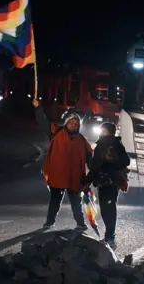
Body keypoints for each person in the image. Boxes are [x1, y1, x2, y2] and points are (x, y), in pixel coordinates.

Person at [33, 99, 93, 231]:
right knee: (54, 202)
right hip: (58, 176)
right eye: (71, 122)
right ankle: (49, 222)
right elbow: (43, 122)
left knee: (76, 203)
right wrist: (38, 108)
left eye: (76, 123)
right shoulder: (55, 133)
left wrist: (92, 175)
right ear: (66, 123)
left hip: (75, 177)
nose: (73, 125)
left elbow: (90, 158)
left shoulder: (82, 140)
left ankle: (80, 223)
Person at [87, 122, 130, 249]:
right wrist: (89, 178)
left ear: (111, 132)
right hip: (101, 181)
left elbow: (126, 161)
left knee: (109, 208)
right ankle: (108, 236)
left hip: (112, 181)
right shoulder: (100, 144)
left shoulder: (116, 144)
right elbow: (95, 164)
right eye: (102, 130)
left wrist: (112, 160)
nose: (102, 132)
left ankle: (110, 237)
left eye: (104, 130)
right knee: (105, 208)